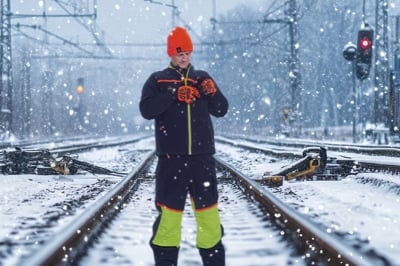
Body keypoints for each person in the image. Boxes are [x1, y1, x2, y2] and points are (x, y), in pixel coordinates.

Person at [139, 26, 229, 266]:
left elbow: (221, 110)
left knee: (208, 215)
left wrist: (212, 93)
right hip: (171, 160)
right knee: (169, 217)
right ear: (171, 53)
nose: (184, 57)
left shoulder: (203, 77)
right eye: (180, 53)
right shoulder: (158, 80)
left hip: (202, 159)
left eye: (188, 52)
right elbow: (146, 110)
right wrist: (174, 94)